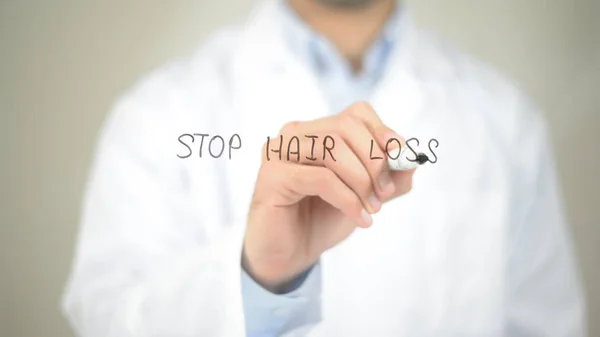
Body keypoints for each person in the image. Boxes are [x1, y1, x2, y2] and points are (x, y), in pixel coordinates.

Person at [61, 0, 587, 336]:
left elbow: (546, 325)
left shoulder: (506, 121)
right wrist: (260, 277)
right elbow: (108, 321)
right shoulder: (158, 116)